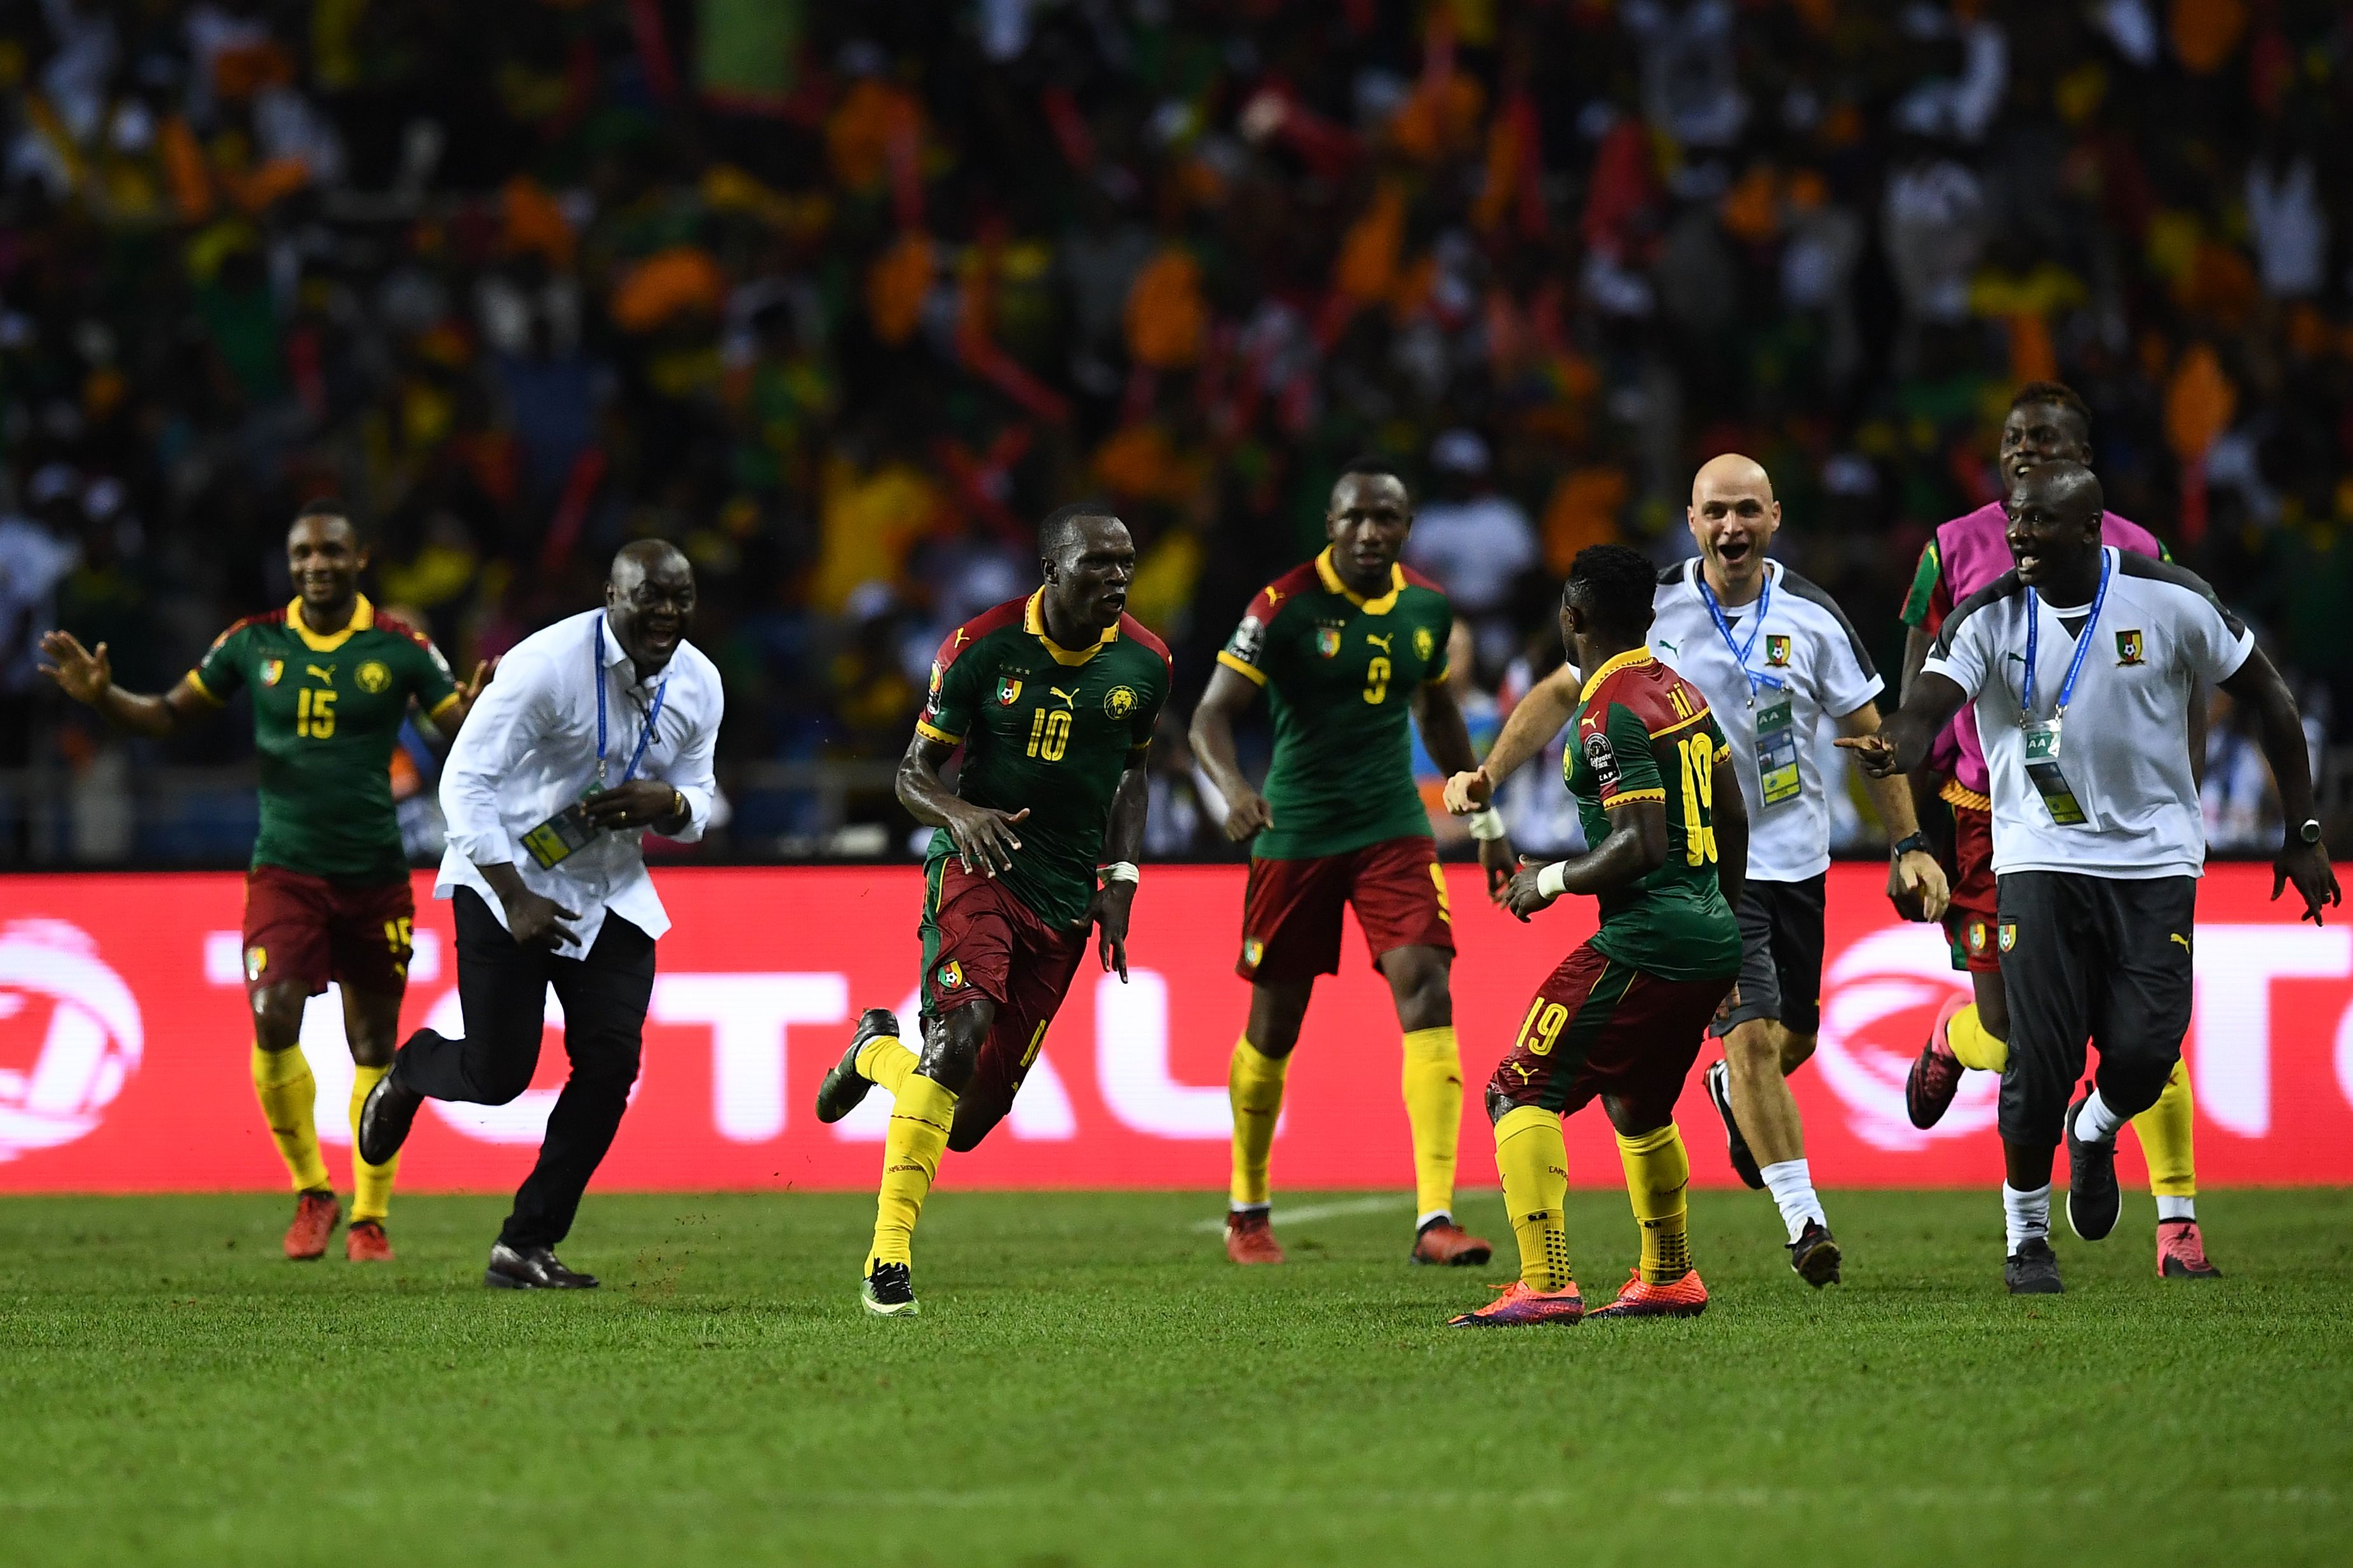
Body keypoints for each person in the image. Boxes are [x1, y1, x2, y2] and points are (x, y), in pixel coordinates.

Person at [1446, 455, 1948, 1287]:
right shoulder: (1650, 609)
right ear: (1691, 518)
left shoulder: (1814, 617)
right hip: (1698, 868)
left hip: (1794, 861)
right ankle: (1806, 1223)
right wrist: (1490, 773)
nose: (1732, 527)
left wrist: (1909, 842)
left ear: (1775, 517)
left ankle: (1727, 1094)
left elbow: (1868, 732)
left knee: (1791, 1040)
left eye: (1748, 510)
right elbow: (1559, 694)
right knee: (1750, 1037)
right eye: (1716, 511)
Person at [1842, 462, 2337, 1294]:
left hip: (2155, 860)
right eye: (2016, 521)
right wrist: (1900, 739)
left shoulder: (2171, 597)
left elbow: (2270, 697)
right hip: (2038, 857)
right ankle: (2026, 1237)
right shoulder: (1987, 615)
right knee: (2038, 1053)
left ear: (2088, 528)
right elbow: (1930, 702)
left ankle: (2098, 1124)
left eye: (2039, 522)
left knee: (2147, 1048)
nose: (2020, 535)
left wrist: (2304, 829)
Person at [40, 500, 485, 1261]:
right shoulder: (253, 643)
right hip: (285, 870)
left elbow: (461, 728)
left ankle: (370, 1216)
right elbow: (170, 715)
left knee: (372, 1041)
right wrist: (105, 698)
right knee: (274, 1012)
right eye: (303, 554)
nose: (316, 566)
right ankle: (313, 1190)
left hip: (375, 874)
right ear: (290, 562)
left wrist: (483, 715)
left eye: (330, 553)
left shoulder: (401, 649)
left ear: (360, 559)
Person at [810, 504, 1170, 1317]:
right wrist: (959, 814)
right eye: (1097, 565)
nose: (1117, 579)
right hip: (978, 867)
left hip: (1068, 892)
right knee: (958, 1034)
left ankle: (872, 1055)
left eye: (1126, 564)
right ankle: (887, 1258)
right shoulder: (979, 650)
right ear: (1052, 569)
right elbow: (910, 774)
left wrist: (1121, 878)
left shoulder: (1146, 663)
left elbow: (1131, 774)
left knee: (968, 1120)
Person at [1898, 381, 2217, 1278]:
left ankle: (2178, 1220)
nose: (2022, 453)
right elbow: (1915, 675)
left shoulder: (2142, 552)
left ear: (2084, 460)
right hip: (1987, 817)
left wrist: (2179, 789)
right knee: (2015, 1039)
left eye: (2042, 439)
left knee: (2143, 1026)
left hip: (2124, 829)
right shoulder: (1949, 549)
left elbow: (2192, 676)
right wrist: (1908, 826)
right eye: (2010, 440)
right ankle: (1953, 1038)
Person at [356, 541, 722, 1290]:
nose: (666, 614)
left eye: (680, 599)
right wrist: (512, 894)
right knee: (497, 1077)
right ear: (609, 596)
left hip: (611, 887)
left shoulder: (699, 680)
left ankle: (526, 1242)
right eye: (648, 597)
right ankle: (411, 1069)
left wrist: (671, 804)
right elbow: (463, 782)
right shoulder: (546, 665)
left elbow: (700, 798)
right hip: (505, 877)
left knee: (611, 1063)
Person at [1189, 458, 1495, 1268]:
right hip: (1293, 834)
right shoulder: (1281, 606)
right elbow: (1210, 716)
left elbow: (1434, 709)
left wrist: (1484, 810)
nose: (1368, 533)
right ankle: (1246, 1209)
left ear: (1405, 526)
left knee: (1427, 986)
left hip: (1392, 828)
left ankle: (1435, 1218)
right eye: (1353, 518)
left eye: (1384, 519)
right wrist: (1231, 789)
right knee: (1273, 1024)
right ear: (1329, 525)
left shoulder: (1426, 610)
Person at [1449, 544, 1747, 1326]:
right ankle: (1668, 1275)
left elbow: (1640, 842)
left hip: (1647, 938)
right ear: (1646, 616)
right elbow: (1732, 809)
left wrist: (1544, 880)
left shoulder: (1609, 710)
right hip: (1706, 932)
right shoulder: (1675, 689)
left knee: (1516, 1089)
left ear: (1571, 617)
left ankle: (1545, 1281)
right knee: (1638, 1104)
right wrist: (1728, 926)